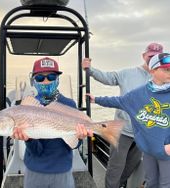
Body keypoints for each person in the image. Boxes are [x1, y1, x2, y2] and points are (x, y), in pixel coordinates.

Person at [82, 42, 163, 188]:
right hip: (122, 131)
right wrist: (90, 70)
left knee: (132, 165)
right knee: (116, 167)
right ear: (144, 56)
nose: (153, 59)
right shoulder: (127, 73)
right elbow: (108, 77)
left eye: (157, 57)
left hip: (143, 133)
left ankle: (119, 185)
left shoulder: (162, 78)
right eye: (150, 56)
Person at [12, 57, 92, 188]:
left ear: (58, 79)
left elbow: (74, 145)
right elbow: (36, 151)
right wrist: (28, 139)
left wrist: (79, 137)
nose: (46, 81)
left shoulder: (69, 104)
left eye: (51, 76)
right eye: (40, 78)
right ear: (33, 81)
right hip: (35, 170)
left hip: (62, 170)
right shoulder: (28, 106)